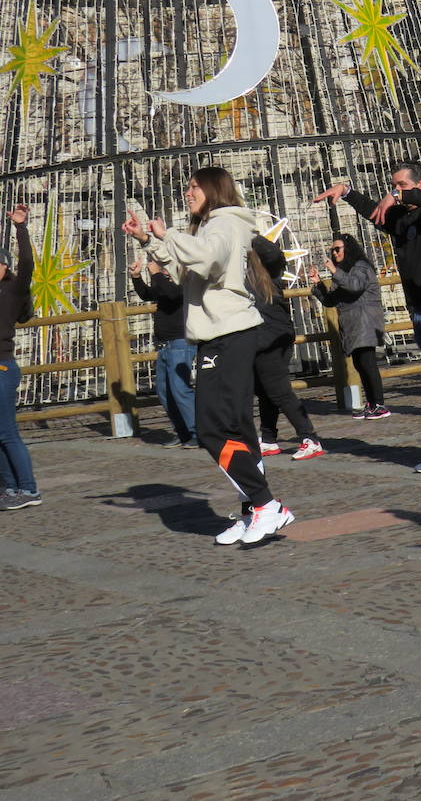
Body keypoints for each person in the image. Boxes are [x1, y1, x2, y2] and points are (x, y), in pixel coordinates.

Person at [124, 168, 294, 545]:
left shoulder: (225, 222)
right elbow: (189, 268)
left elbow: (210, 260)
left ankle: (267, 504)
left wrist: (167, 234)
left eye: (194, 187)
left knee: (212, 428)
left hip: (229, 334)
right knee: (237, 428)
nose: (187, 193)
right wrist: (149, 241)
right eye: (187, 187)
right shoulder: (213, 226)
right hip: (222, 334)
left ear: (214, 189)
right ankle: (254, 509)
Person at [314, 164, 421, 475]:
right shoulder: (403, 219)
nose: (396, 190)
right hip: (419, 307)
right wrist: (348, 192)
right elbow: (374, 211)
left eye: (403, 185)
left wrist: (396, 194)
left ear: (419, 184)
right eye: (393, 185)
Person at [249, 233, 325, 461]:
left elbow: (274, 255)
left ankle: (309, 437)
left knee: (279, 390)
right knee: (265, 391)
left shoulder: (269, 273)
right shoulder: (248, 276)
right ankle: (269, 438)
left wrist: (249, 235)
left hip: (273, 337)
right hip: (261, 338)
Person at [309, 233, 388, 419]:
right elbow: (331, 301)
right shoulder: (343, 272)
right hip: (353, 324)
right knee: (360, 364)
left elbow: (355, 286)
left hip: (365, 321)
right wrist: (319, 284)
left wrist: (334, 272)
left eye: (338, 249)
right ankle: (371, 404)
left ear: (348, 249)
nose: (334, 253)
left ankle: (379, 404)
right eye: (332, 250)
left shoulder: (361, 267)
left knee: (368, 363)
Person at [129, 257, 197, 448]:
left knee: (180, 389)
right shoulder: (165, 283)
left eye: (167, 267)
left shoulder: (186, 282)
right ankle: (183, 432)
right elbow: (147, 294)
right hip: (165, 345)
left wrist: (156, 274)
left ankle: (197, 431)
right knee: (164, 391)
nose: (164, 270)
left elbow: (173, 295)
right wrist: (136, 277)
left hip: (181, 342)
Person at [0, 205, 39, 511]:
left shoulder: (13, 290)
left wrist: (21, 228)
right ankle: (10, 488)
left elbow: (27, 263)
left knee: (7, 432)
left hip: (2, 367)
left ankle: (28, 488)